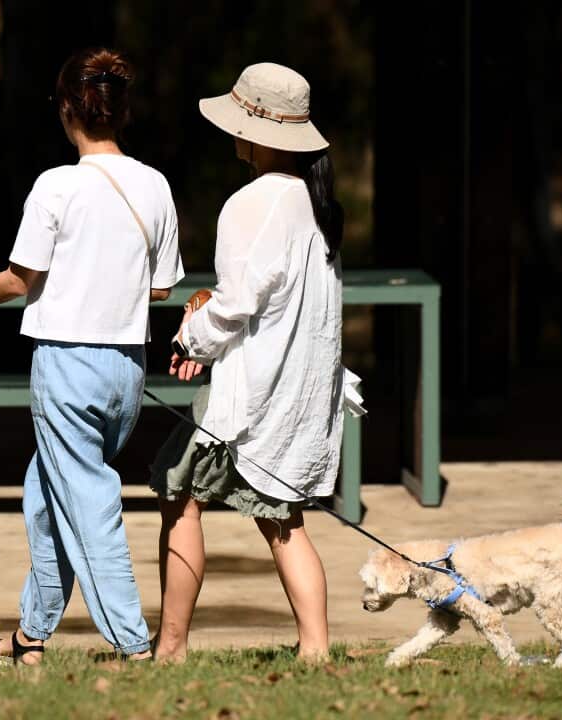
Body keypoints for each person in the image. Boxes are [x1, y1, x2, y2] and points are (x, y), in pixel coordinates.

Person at [0, 47, 184, 665]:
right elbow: (162, 286)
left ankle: (132, 646)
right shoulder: (154, 185)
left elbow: (22, 279)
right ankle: (30, 638)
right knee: (46, 496)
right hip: (126, 369)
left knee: (89, 502)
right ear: (120, 111)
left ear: (69, 109)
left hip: (68, 366)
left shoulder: (56, 185)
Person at [152, 62, 345, 663]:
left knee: (178, 493)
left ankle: (172, 648)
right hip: (295, 390)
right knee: (283, 522)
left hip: (249, 392)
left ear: (257, 133)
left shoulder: (251, 203)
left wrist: (191, 340)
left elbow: (240, 301)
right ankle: (316, 650)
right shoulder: (318, 204)